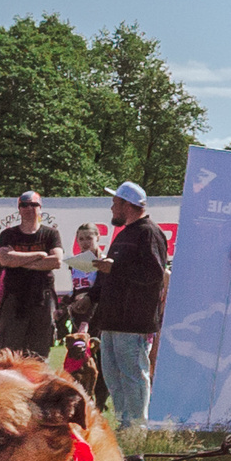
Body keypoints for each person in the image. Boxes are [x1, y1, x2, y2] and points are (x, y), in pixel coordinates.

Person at [86, 181, 167, 432]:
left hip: (134, 321)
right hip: (111, 320)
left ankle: (137, 430)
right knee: (113, 378)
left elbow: (154, 273)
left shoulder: (149, 233)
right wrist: (90, 298)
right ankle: (124, 426)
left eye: (115, 202)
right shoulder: (123, 234)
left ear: (127, 205)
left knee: (133, 376)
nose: (111, 207)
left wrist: (115, 268)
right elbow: (110, 273)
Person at [0, 190, 63, 358]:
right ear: (19, 209)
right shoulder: (8, 234)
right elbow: (4, 259)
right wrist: (39, 255)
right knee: (10, 350)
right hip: (14, 298)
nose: (29, 208)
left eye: (34, 204)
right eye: (24, 204)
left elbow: (56, 261)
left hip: (41, 298)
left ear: (40, 208)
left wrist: (18, 260)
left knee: (39, 351)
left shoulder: (50, 234)